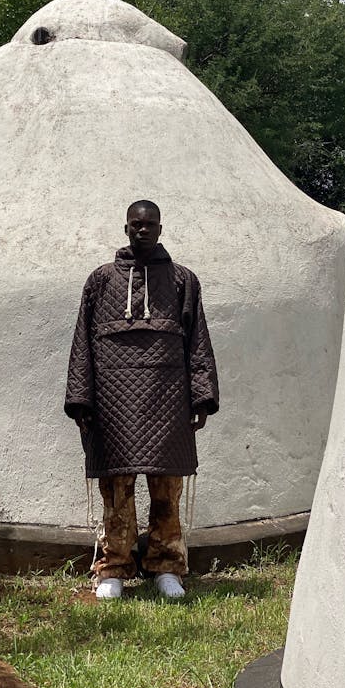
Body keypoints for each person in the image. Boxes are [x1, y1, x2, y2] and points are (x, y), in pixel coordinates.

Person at [65, 200, 219, 599]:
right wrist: (82, 400)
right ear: (126, 228)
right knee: (117, 490)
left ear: (161, 229)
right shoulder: (100, 281)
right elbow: (83, 341)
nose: (143, 231)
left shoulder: (184, 281)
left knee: (166, 487)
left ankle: (167, 565)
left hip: (168, 402)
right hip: (112, 406)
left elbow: (197, 342)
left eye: (150, 225)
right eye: (137, 225)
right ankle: (113, 567)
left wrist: (201, 396)